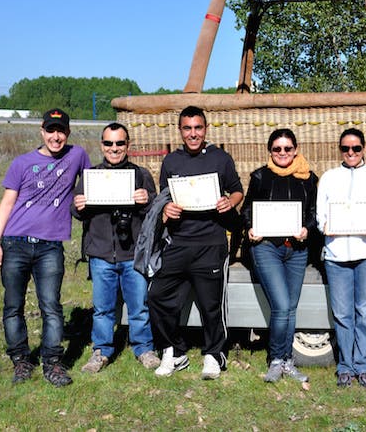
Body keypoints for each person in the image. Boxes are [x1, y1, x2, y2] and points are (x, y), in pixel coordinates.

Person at [0, 108, 91, 387]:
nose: (55, 137)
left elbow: (95, 183)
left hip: (49, 248)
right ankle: (21, 360)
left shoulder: (78, 155)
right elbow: (7, 203)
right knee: (13, 306)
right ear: (41, 132)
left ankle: (53, 363)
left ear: (67, 133)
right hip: (15, 242)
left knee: (52, 307)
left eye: (60, 131)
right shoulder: (21, 163)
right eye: (50, 130)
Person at [149, 105, 244, 380]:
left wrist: (230, 201)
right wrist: (167, 209)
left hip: (211, 244)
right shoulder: (171, 162)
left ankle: (214, 355)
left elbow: (237, 190)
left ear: (205, 129)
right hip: (177, 243)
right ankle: (174, 351)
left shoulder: (220, 159)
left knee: (210, 305)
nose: (193, 134)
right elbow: (164, 199)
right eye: (187, 128)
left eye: (198, 128)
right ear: (180, 131)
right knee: (157, 296)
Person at [72, 122, 161, 373]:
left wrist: (146, 200)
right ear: (102, 145)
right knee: (102, 309)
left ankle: (144, 348)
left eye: (119, 143)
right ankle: (101, 351)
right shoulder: (90, 175)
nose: (114, 148)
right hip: (100, 254)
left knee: (139, 306)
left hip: (132, 254)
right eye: (109, 143)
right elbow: (75, 211)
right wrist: (78, 204)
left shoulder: (141, 175)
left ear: (128, 145)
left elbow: (155, 211)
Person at [241, 129, 318, 383]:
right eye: (277, 149)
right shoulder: (260, 176)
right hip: (267, 248)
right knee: (282, 305)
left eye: (287, 148)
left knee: (290, 308)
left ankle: (287, 361)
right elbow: (247, 210)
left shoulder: (308, 178)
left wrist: (307, 228)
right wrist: (251, 227)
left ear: (296, 149)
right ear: (270, 151)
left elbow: (314, 213)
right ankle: (276, 359)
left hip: (296, 250)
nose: (282, 153)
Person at [316, 128, 366, 388]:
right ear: (340, 150)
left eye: (356, 148)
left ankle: (363, 363)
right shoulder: (328, 177)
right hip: (336, 255)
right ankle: (345, 364)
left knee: (365, 311)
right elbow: (321, 214)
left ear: (363, 149)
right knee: (342, 313)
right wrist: (325, 225)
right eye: (346, 148)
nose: (351, 153)